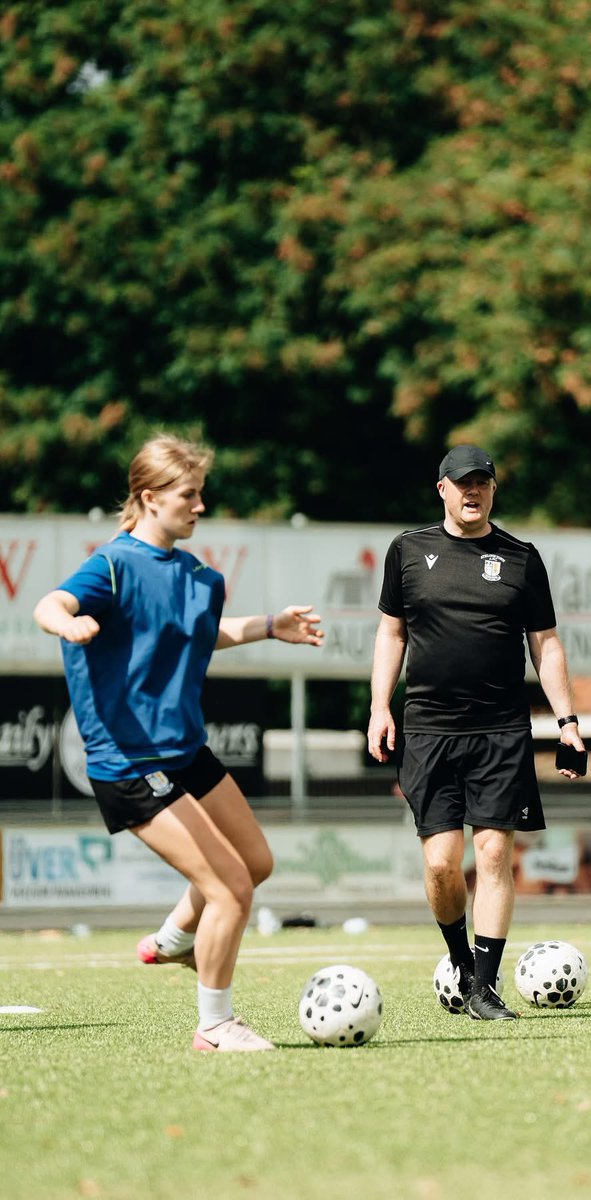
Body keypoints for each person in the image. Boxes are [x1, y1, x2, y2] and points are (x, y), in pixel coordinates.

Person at [33, 434, 323, 1052]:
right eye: (188, 495)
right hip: (130, 762)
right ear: (149, 498)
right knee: (230, 890)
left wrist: (271, 627)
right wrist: (70, 621)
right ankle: (215, 1026)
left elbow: (200, 634)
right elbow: (50, 603)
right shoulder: (111, 565)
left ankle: (174, 939)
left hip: (185, 752)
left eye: (200, 495)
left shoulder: (198, 575)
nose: (198, 506)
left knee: (256, 864)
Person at [367, 444, 586, 1020]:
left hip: (501, 728)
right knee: (442, 862)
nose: (473, 491)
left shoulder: (520, 557)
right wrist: (378, 707)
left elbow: (546, 643)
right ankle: (462, 964)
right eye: (462, 482)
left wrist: (568, 723)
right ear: (442, 488)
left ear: (493, 489)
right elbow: (392, 634)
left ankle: (485, 988)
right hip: (429, 728)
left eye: (482, 482)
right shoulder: (408, 551)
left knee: (493, 853)